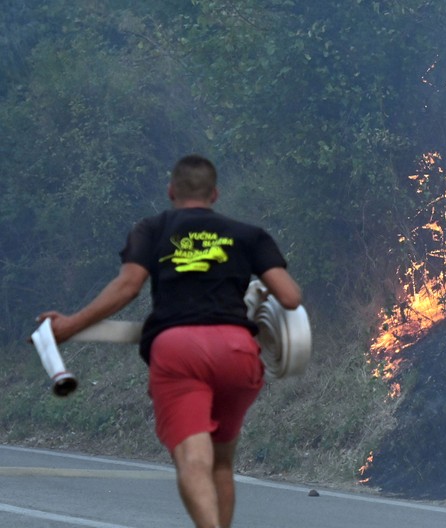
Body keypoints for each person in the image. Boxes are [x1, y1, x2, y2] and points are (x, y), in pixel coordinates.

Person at [38, 154, 302, 528]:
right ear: (215, 193)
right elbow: (289, 298)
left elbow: (127, 287)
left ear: (170, 191)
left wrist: (69, 325)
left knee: (194, 460)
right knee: (222, 463)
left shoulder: (152, 228)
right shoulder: (248, 234)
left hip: (178, 349)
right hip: (237, 351)